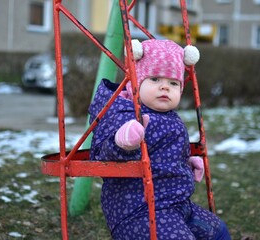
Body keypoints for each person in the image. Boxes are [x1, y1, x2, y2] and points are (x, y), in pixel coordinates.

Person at [88, 39, 231, 240]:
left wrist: (186, 164)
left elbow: (162, 154)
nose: (165, 88)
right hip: (138, 210)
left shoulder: (168, 115)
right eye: (155, 79)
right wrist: (121, 143)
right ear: (136, 82)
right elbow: (101, 155)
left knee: (217, 231)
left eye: (173, 83)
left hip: (176, 204)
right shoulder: (124, 112)